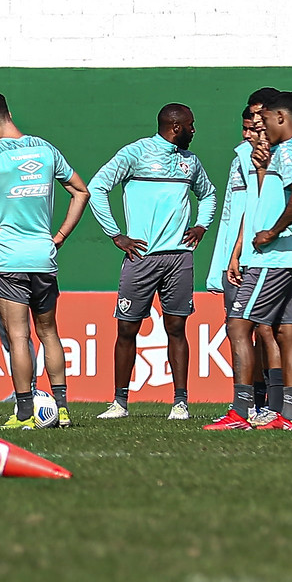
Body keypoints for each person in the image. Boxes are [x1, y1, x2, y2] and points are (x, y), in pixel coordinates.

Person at [0, 91, 88, 430]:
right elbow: (81, 192)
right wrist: (60, 236)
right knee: (49, 333)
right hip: (43, 256)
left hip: (9, 258)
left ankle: (25, 413)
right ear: (9, 114)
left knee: (18, 337)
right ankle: (62, 409)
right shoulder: (46, 149)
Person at [89, 103, 214, 421]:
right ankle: (119, 403)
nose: (194, 131)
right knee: (126, 328)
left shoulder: (190, 162)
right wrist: (116, 234)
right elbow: (97, 187)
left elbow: (209, 194)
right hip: (141, 257)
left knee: (177, 328)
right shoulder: (135, 153)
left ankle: (181, 403)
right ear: (176, 127)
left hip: (179, 258)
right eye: (190, 125)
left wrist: (201, 225)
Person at [207, 91, 292, 430]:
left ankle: (242, 410)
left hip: (273, 256)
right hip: (290, 257)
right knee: (285, 330)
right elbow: (257, 205)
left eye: (263, 123)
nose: (257, 130)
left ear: (279, 119)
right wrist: (237, 251)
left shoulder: (289, 151)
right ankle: (287, 414)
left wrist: (271, 233)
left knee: (239, 325)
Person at [206, 91, 277, 420]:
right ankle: (250, 404)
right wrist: (227, 258)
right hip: (238, 258)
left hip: (265, 257)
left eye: (257, 125)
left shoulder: (281, 155)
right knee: (240, 329)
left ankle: (272, 404)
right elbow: (234, 214)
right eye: (247, 126)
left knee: (266, 330)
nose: (250, 132)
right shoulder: (240, 158)